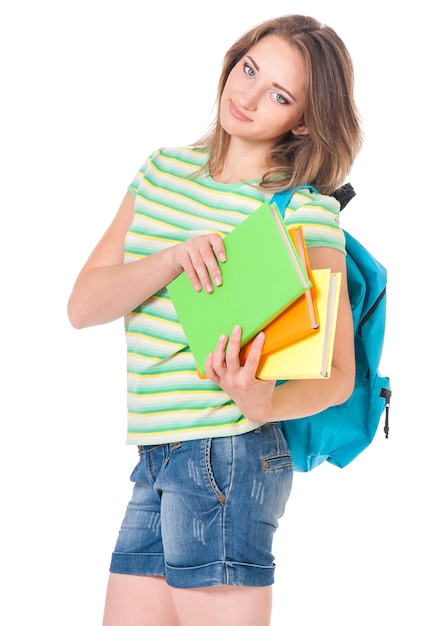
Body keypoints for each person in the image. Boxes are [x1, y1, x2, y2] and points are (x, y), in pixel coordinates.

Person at [68, 13, 362, 626]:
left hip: (229, 453)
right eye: (249, 68)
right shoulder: (161, 171)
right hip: (155, 452)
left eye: (278, 94)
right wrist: (174, 259)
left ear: (302, 121)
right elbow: (83, 305)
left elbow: (338, 374)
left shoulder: (303, 212)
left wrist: (262, 403)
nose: (247, 95)